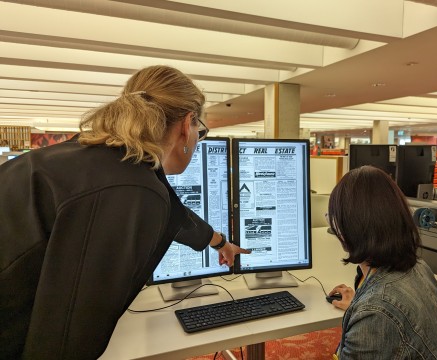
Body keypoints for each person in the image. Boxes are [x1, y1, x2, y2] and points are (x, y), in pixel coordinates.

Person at [0, 65, 250, 360]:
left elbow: (174, 213)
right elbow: (67, 335)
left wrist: (220, 242)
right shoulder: (130, 189)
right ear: (187, 123)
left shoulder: (99, 158)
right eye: (201, 131)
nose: (197, 139)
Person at [326, 166, 437, 360]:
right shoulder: (418, 266)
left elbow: (382, 315)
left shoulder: (376, 313)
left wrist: (367, 313)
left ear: (347, 228)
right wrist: (358, 307)